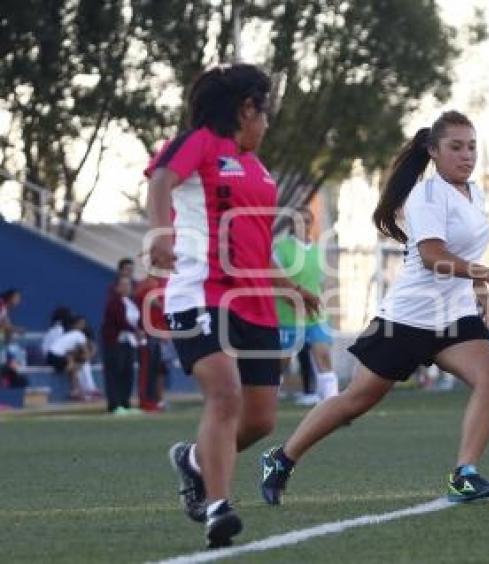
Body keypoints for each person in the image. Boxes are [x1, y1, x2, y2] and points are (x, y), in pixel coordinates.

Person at [259, 110, 489, 506]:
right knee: (355, 402)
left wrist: (478, 286)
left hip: (453, 316)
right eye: (456, 147)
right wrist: (487, 273)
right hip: (408, 317)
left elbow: (460, 251)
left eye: (471, 147)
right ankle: (282, 458)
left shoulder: (474, 192)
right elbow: (432, 255)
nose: (466, 156)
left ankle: (464, 475)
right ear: (433, 151)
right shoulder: (427, 196)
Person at [144, 63, 319, 548]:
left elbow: (257, 243)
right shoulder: (199, 141)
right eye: (264, 115)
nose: (265, 127)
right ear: (247, 109)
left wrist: (290, 287)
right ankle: (218, 507)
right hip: (200, 291)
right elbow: (161, 178)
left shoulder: (259, 172)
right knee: (225, 395)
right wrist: (160, 235)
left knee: (261, 419)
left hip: (256, 301)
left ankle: (196, 460)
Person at [273, 206, 339, 405]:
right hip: (287, 313)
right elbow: (275, 280)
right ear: (292, 224)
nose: (303, 225)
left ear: (312, 224)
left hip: (314, 314)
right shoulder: (281, 248)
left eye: (307, 221)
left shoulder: (318, 251)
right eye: (298, 221)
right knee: (281, 362)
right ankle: (266, 397)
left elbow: (320, 283)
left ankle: (332, 401)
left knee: (323, 354)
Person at [101, 275, 141, 413]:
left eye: (129, 285)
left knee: (127, 373)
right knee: (115, 373)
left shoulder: (130, 302)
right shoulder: (114, 302)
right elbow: (120, 321)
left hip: (128, 342)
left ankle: (125, 402)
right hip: (115, 342)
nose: (127, 287)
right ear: (117, 287)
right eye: (124, 285)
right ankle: (114, 404)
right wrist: (135, 331)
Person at [135, 274, 169, 411]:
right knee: (148, 369)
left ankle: (155, 399)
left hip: (158, 331)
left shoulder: (161, 284)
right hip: (149, 331)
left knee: (157, 369)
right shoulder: (146, 285)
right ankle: (147, 400)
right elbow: (154, 302)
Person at [46, 315, 91, 400]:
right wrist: (84, 361)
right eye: (81, 324)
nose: (84, 325)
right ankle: (75, 391)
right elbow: (85, 352)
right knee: (73, 368)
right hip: (56, 356)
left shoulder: (69, 335)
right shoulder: (79, 335)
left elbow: (70, 352)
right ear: (75, 325)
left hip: (50, 356)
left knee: (72, 366)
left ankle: (75, 391)